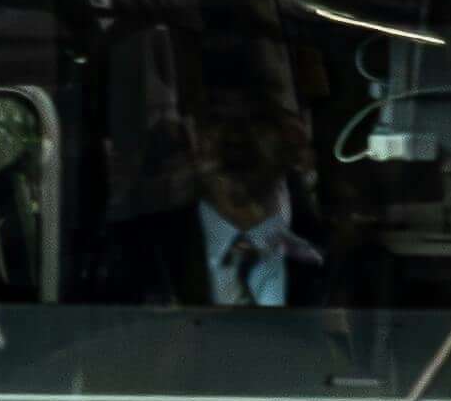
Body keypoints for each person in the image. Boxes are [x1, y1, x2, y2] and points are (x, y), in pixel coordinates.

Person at [92, 88, 330, 306]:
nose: (236, 135)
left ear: (288, 138)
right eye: (216, 118)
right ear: (193, 136)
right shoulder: (140, 249)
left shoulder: (328, 252)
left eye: (258, 120)